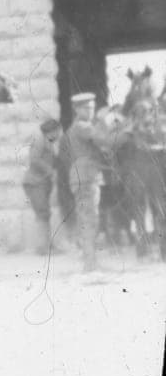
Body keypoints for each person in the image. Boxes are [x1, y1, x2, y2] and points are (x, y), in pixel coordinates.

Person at [61, 93, 112, 272]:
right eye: (86, 108)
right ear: (77, 109)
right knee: (90, 219)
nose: (90, 111)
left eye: (92, 108)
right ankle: (90, 263)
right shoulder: (82, 126)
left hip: (79, 176)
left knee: (86, 218)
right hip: (88, 177)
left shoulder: (72, 128)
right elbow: (104, 140)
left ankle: (89, 262)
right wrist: (102, 120)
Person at [21, 119, 64, 254]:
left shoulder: (48, 142)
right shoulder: (40, 140)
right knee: (42, 214)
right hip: (35, 183)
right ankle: (43, 247)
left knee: (44, 214)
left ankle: (47, 245)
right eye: (59, 131)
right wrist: (50, 171)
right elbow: (34, 159)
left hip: (41, 182)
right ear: (53, 131)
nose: (59, 134)